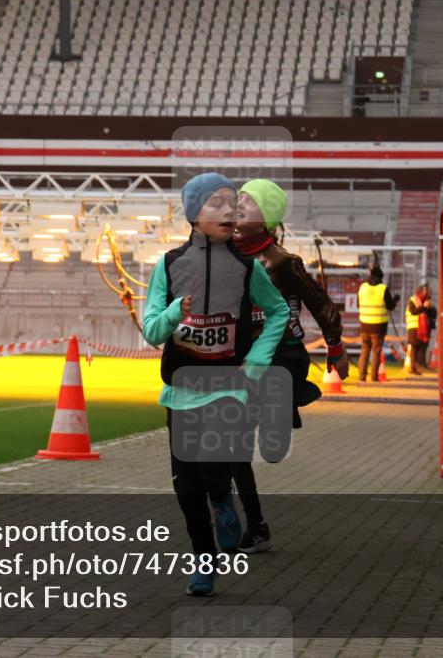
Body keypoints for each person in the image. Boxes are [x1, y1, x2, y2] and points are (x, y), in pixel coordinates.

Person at [142, 173, 289, 596]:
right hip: (181, 390)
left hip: (229, 388)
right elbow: (152, 331)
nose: (229, 211)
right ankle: (203, 558)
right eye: (216, 203)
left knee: (214, 469)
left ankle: (222, 497)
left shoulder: (246, 268)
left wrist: (258, 361)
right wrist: (173, 313)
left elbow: (278, 312)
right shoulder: (168, 265)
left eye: (232, 203)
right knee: (187, 487)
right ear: (192, 213)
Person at [228, 178, 350, 553]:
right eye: (236, 202)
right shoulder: (221, 255)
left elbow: (320, 302)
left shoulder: (282, 261)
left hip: (285, 352)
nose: (236, 209)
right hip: (243, 358)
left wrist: (335, 346)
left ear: (265, 222)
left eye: (245, 205)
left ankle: (281, 407)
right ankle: (256, 525)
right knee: (233, 449)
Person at [357, 266, 399, 381]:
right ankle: (374, 377)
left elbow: (358, 304)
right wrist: (395, 299)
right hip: (378, 326)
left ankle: (362, 376)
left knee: (365, 350)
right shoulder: (383, 288)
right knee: (376, 351)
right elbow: (390, 306)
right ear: (380, 277)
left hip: (364, 324)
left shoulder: (362, 287)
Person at [405, 283, 435, 374]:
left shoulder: (427, 302)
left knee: (422, 347)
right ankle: (413, 367)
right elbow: (413, 311)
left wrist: (429, 308)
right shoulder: (413, 300)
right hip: (414, 327)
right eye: (428, 292)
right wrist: (423, 307)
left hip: (423, 328)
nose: (430, 294)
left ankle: (420, 366)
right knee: (415, 347)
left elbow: (433, 314)